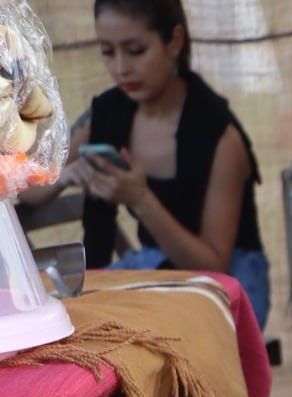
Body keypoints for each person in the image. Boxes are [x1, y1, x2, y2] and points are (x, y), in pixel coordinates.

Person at [27, 0, 269, 325]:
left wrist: (140, 199)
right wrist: (68, 174)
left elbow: (214, 265)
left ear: (175, 42)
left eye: (136, 50)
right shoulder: (110, 113)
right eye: (108, 51)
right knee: (65, 316)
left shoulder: (219, 135)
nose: (121, 67)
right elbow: (30, 190)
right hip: (155, 264)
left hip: (229, 280)